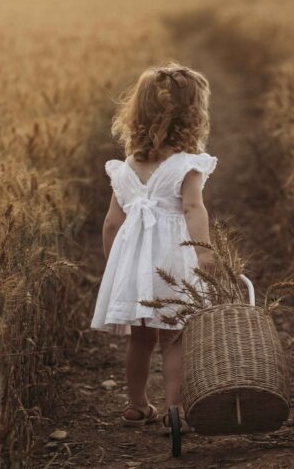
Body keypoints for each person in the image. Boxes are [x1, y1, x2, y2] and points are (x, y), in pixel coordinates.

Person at [90, 63, 217, 432]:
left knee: (141, 340)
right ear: (193, 116)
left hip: (135, 264)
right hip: (173, 259)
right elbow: (194, 208)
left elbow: (112, 223)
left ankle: (136, 405)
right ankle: (173, 408)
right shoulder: (187, 165)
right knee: (173, 338)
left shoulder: (127, 166)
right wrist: (204, 252)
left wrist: (117, 266)